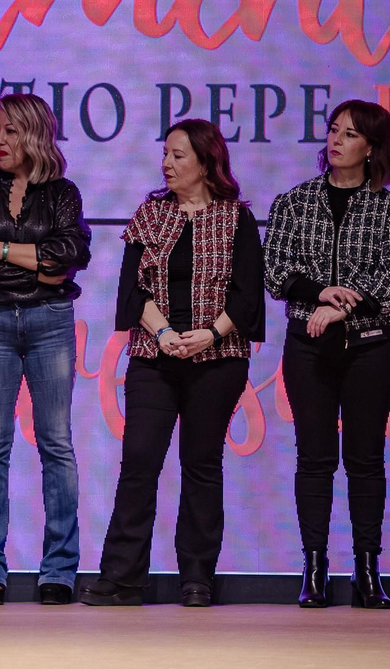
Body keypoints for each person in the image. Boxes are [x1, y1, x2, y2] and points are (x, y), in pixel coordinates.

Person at [78, 119, 265, 608]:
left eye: (179, 155)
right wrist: (163, 333)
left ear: (207, 161)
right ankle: (122, 577)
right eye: (165, 154)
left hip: (217, 358)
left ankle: (197, 577)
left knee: (201, 463)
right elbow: (132, 290)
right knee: (139, 460)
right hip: (153, 357)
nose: (167, 163)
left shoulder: (235, 218)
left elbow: (247, 298)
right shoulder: (150, 214)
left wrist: (207, 334)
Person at [264, 100, 390, 608]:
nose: (336, 141)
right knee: (314, 458)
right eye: (333, 130)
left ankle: (368, 570)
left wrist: (343, 309)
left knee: (366, 460)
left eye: (349, 134)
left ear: (371, 148)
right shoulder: (294, 202)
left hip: (369, 349)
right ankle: (313, 568)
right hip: (307, 349)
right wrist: (322, 293)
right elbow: (275, 273)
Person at [0, 93, 92, 606]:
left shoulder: (62, 193)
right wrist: (35, 263)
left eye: (10, 131)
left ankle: (59, 570)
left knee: (56, 443)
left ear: (34, 133)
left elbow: (70, 255)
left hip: (50, 320)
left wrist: (3, 250)